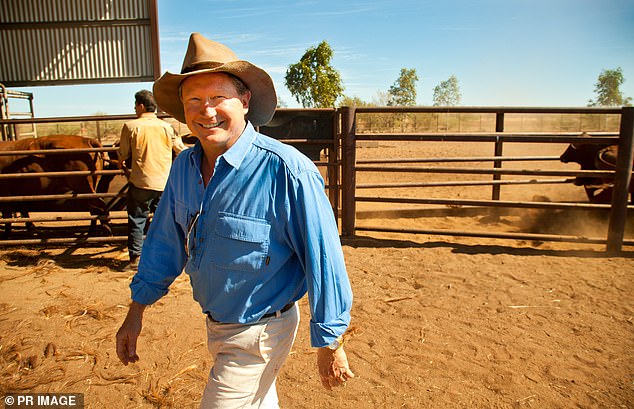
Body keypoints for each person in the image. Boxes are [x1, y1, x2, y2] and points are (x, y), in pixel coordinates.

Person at [115, 32, 354, 408]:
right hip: (219, 325)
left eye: (217, 98)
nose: (206, 111)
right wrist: (136, 312)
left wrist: (330, 341)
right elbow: (164, 244)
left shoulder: (287, 171)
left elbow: (323, 259)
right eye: (194, 100)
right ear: (182, 108)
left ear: (244, 101)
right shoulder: (183, 168)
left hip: (261, 331)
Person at [118, 90, 187, 270]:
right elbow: (180, 150)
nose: (134, 108)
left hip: (141, 182)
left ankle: (135, 259)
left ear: (141, 105)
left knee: (137, 220)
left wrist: (121, 162)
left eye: (135, 105)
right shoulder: (167, 127)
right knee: (167, 222)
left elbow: (123, 154)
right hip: (165, 184)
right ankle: (169, 256)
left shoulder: (130, 126)